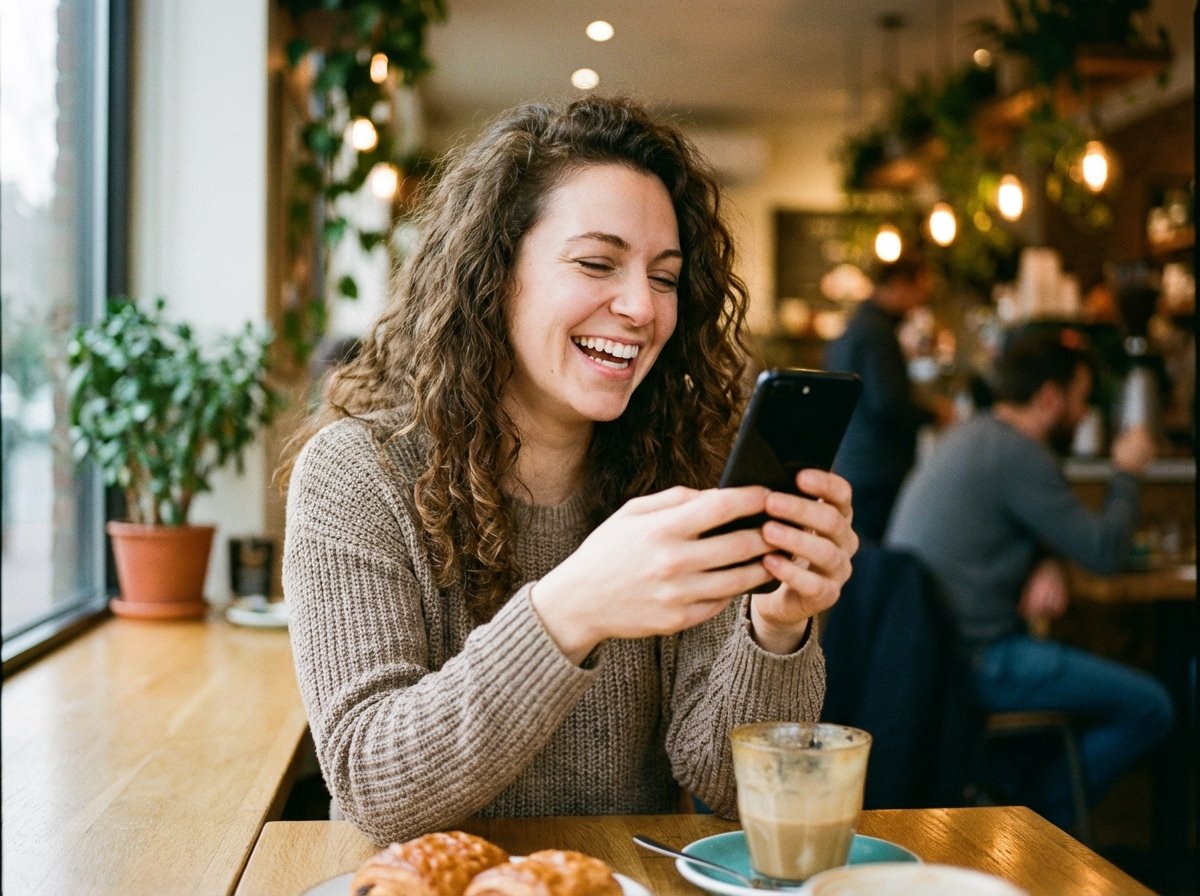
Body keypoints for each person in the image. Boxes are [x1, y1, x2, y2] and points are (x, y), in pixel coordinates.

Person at [280, 95, 858, 845]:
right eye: (596, 263)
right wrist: (574, 607)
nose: (641, 307)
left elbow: (726, 786)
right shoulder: (358, 473)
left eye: (664, 277)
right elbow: (372, 785)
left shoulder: (682, 467)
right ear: (494, 274)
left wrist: (775, 629)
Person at [886, 330, 1174, 831]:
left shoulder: (973, 435)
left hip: (930, 656)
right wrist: (1128, 472)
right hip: (977, 660)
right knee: (1151, 706)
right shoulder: (1020, 453)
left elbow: (1019, 522)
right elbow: (1104, 552)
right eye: (1081, 400)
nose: (1084, 414)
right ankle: (1045, 820)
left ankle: (1027, 808)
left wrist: (1046, 559)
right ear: (1049, 398)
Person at [823, 251, 955, 542]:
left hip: (854, 461)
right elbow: (888, 403)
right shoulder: (877, 334)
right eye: (919, 290)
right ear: (898, 285)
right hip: (878, 469)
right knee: (875, 554)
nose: (921, 300)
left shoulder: (856, 325)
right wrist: (935, 414)